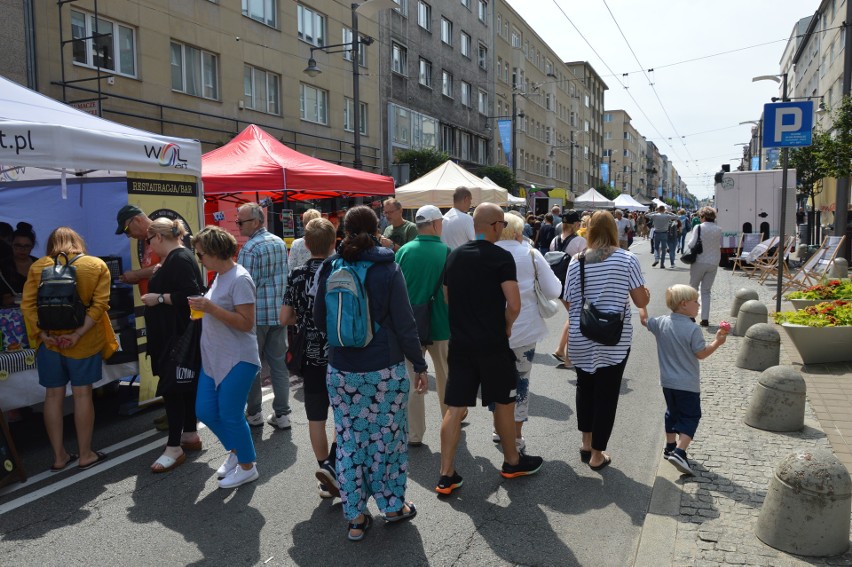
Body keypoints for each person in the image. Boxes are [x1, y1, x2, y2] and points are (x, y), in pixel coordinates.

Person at [313, 205, 426, 541]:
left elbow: (321, 321)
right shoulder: (388, 268)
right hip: (384, 371)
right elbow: (405, 324)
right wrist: (419, 364)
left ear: (343, 231)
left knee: (349, 442)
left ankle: (356, 518)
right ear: (377, 229)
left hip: (342, 370)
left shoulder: (332, 266)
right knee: (388, 440)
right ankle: (392, 507)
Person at [437, 203, 544, 496]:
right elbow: (515, 303)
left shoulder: (455, 256)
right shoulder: (501, 257)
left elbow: (447, 297)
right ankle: (512, 461)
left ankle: (446, 474)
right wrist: (507, 326)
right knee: (504, 404)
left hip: (461, 344)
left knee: (455, 408)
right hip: (492, 344)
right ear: (497, 225)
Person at [21, 227, 117, 471]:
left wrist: (43, 334)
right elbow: (100, 306)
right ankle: (85, 454)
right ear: (78, 241)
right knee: (82, 394)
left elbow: (27, 306)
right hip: (83, 342)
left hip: (49, 343)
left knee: (52, 396)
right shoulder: (96, 265)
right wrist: (76, 334)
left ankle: (59, 456)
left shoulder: (38, 266)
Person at [563, 211, 650, 471]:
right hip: (613, 338)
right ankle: (597, 454)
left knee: (585, 387)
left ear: (588, 230)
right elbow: (640, 301)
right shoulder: (627, 259)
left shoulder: (576, 261)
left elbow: (568, 300)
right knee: (607, 394)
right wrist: (645, 293)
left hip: (581, 334)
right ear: (615, 230)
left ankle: (586, 442)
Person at [190, 226, 262, 489]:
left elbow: (246, 323)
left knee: (230, 414)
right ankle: (237, 451)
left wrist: (210, 308)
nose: (200, 260)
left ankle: (247, 466)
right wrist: (206, 309)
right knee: (206, 411)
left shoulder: (240, 278)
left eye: (200, 254)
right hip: (215, 356)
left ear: (214, 252)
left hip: (238, 357)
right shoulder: (220, 275)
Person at [639, 284, 728, 475]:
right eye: (696, 301)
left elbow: (644, 319)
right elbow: (701, 354)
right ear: (684, 304)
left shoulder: (661, 322)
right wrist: (717, 342)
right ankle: (680, 451)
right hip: (687, 384)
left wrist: (643, 303)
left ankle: (670, 447)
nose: (698, 305)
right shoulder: (692, 329)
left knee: (672, 412)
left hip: (667, 382)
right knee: (691, 416)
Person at [493, 212, 562, 453]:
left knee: (497, 382)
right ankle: (516, 436)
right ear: (518, 231)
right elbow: (553, 290)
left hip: (492, 331)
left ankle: (498, 428)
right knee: (521, 381)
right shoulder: (530, 254)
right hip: (525, 330)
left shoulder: (487, 254)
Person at [139, 218, 205, 473]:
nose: (149, 246)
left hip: (175, 338)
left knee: (173, 390)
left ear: (158, 237)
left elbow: (193, 295)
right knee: (182, 387)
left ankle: (174, 446)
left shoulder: (179, 258)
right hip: (174, 336)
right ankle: (189, 434)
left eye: (149, 240)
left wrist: (158, 297)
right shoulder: (175, 258)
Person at [280, 218, 339, 499]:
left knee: (316, 418)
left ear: (304, 243)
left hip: (310, 355)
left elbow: (284, 317)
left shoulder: (297, 275)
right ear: (333, 243)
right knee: (343, 415)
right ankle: (336, 466)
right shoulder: (340, 270)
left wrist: (301, 320)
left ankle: (323, 471)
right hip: (340, 352)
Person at [396, 205, 451, 448]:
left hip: (410, 327)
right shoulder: (447, 252)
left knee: (412, 380)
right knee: (446, 377)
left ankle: (415, 434)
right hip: (441, 325)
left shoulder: (404, 252)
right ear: (436, 224)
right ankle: (449, 423)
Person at [236, 202, 291, 430]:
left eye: (242, 221)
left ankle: (255, 412)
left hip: (255, 317)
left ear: (256, 221)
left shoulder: (250, 249)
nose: (238, 225)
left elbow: (244, 287)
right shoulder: (278, 241)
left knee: (252, 366)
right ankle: (282, 414)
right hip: (279, 313)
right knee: (278, 365)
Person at [550, 211, 587, 369]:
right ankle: (569, 358)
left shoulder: (555, 240)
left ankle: (560, 350)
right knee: (576, 319)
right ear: (576, 224)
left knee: (573, 316)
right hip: (574, 285)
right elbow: (586, 262)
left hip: (559, 284)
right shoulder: (579, 241)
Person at [686, 207, 723, 327]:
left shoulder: (699, 227)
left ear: (703, 216)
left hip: (699, 261)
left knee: (693, 289)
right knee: (706, 291)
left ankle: (691, 316)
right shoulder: (718, 229)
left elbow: (691, 244)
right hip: (713, 263)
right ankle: (705, 319)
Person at [115, 205, 158, 292]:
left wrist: (136, 274)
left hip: (163, 302)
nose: (128, 235)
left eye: (127, 229)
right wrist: (135, 278)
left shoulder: (162, 234)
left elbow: (169, 266)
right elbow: (156, 273)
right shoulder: (148, 238)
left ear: (137, 220)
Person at [1, 222, 37, 307]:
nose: (22, 250)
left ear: (32, 246)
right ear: (11, 244)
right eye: (18, 245)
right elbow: (4, 300)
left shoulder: (39, 264)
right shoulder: (3, 266)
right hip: (10, 315)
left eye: (26, 246)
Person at [288, 209, 322, 275]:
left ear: (304, 224)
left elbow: (291, 268)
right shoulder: (326, 242)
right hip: (320, 281)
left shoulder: (296, 244)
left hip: (300, 281)